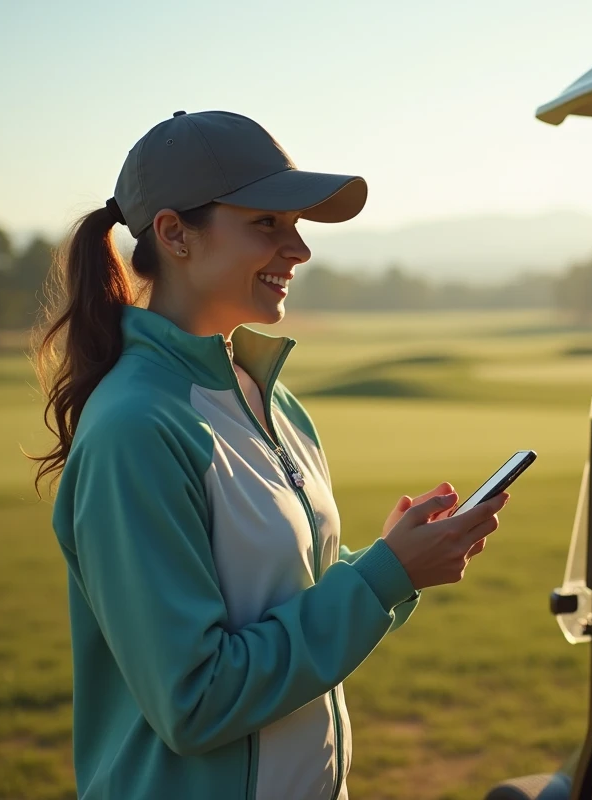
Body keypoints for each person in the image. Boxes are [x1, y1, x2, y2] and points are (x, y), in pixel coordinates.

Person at [29, 109, 509, 800]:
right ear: (174, 234)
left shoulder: (269, 398)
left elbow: (273, 598)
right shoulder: (136, 428)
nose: (301, 250)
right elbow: (194, 699)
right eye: (268, 224)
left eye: (297, 226)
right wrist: (379, 580)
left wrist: (394, 563)